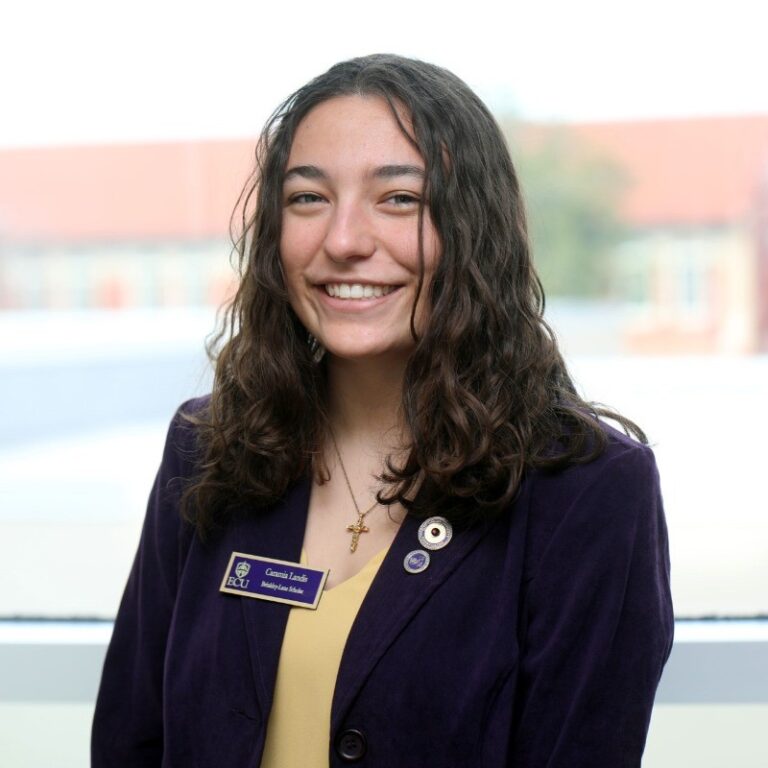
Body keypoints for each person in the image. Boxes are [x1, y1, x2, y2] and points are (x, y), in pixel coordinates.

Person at [92, 54, 673, 767]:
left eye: (399, 199)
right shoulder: (207, 447)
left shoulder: (588, 492)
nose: (343, 241)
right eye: (308, 199)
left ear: (474, 228)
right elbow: (130, 739)